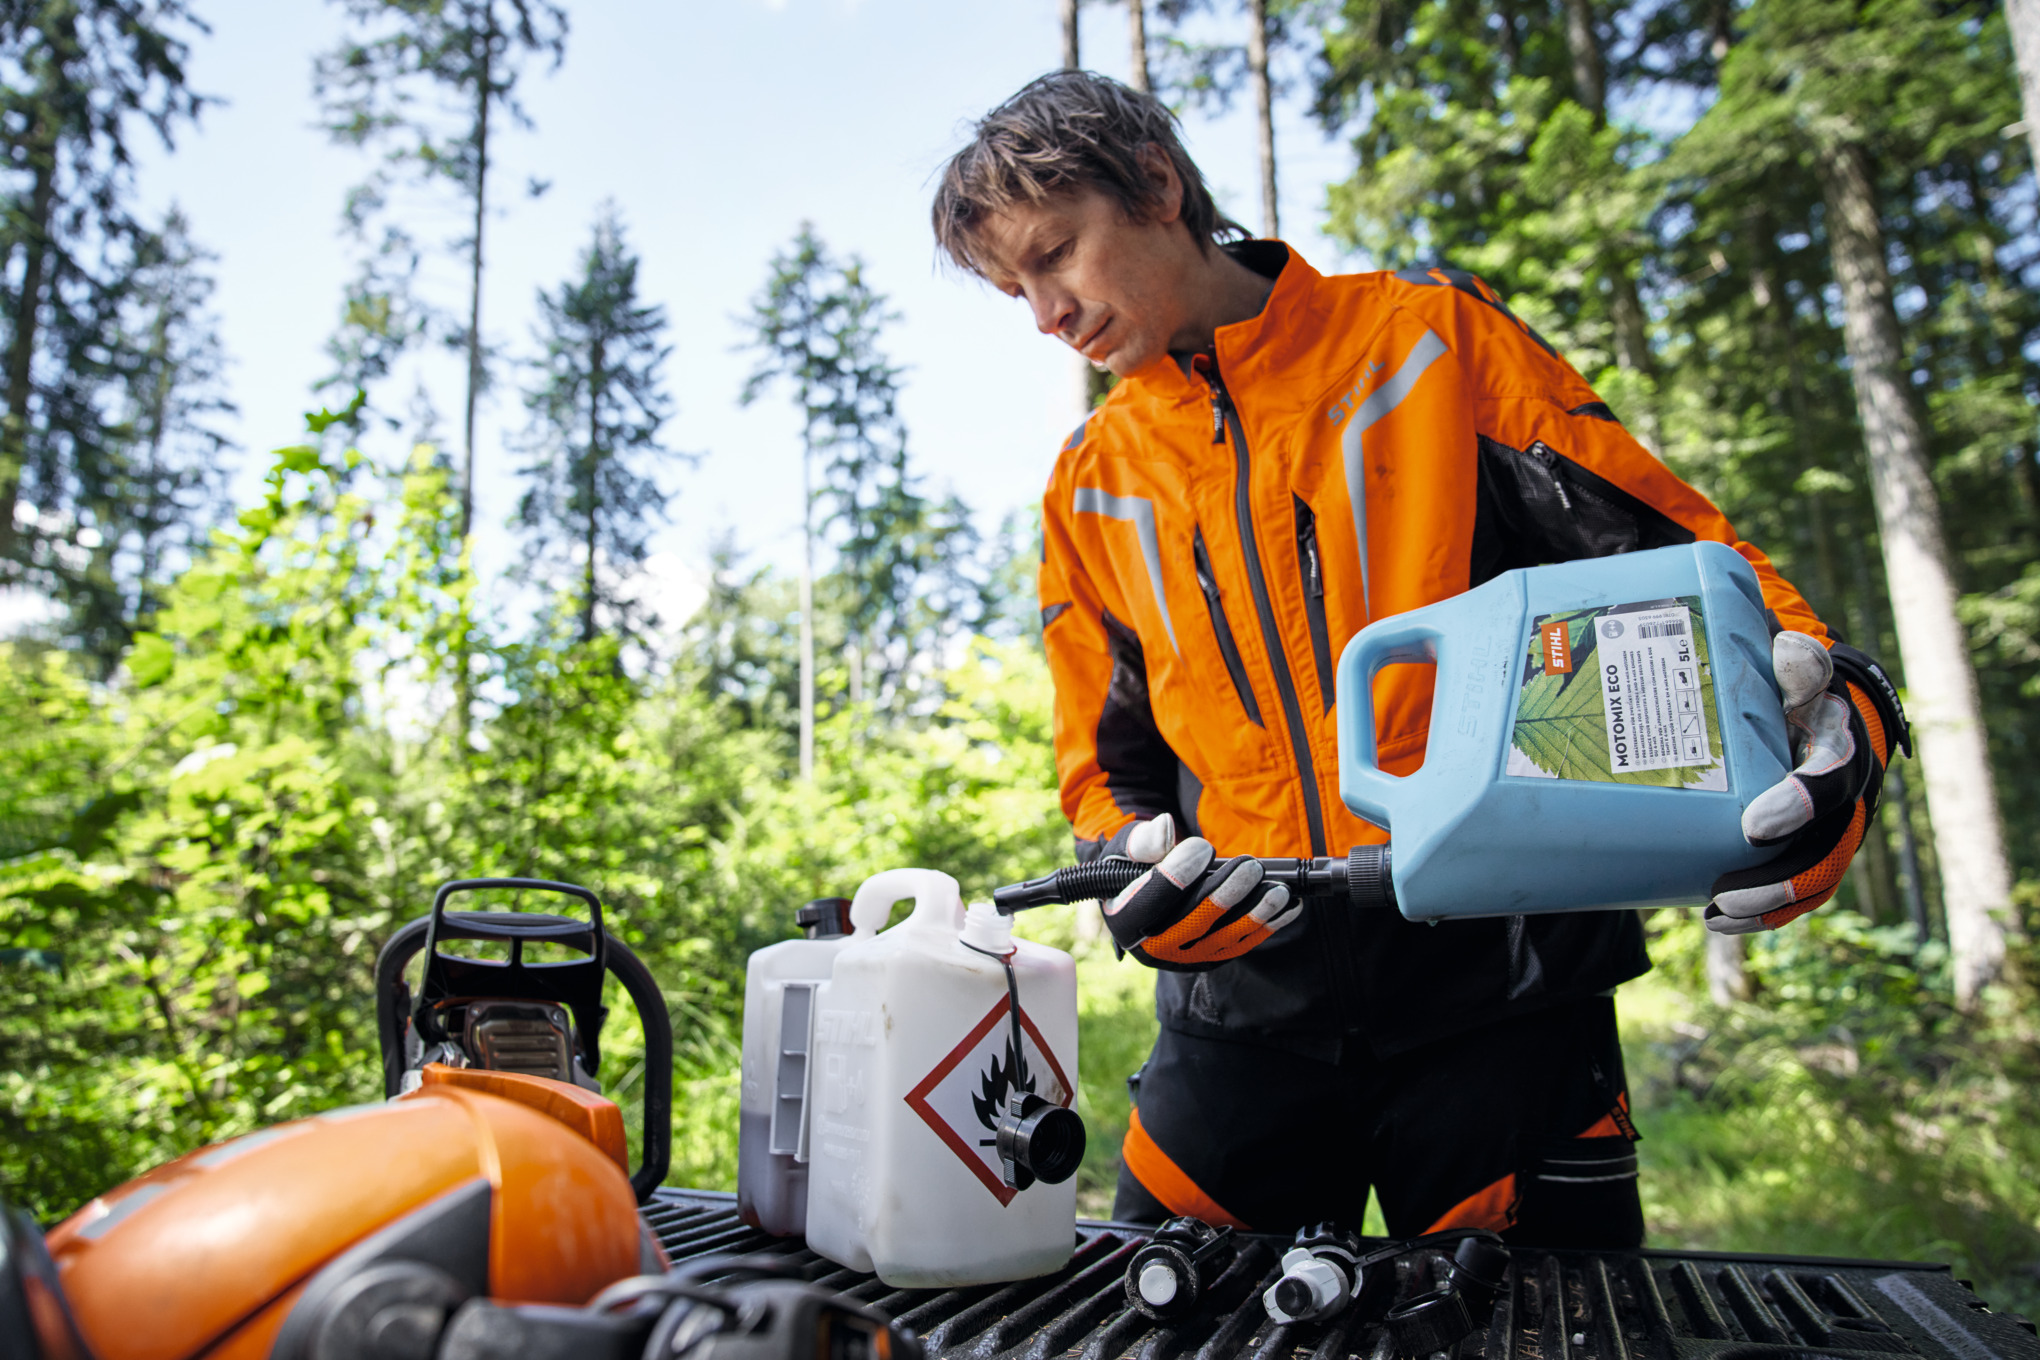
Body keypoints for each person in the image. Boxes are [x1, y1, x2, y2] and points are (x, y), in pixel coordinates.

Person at [929, 72, 1908, 1246]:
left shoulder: (1427, 341)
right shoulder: (1089, 483)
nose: (1046, 312)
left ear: (1157, 183)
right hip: (1238, 1016)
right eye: (1011, 289)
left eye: (1056, 254)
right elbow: (1105, 770)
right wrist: (1130, 884)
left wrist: (1843, 708)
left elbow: (1692, 562)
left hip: (1507, 996)